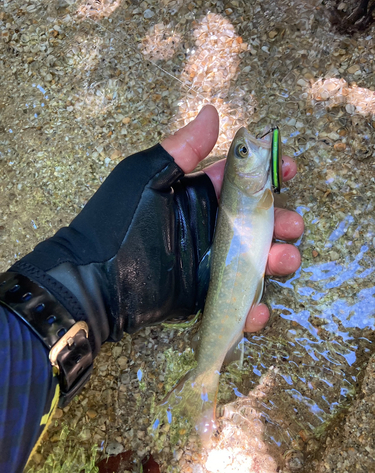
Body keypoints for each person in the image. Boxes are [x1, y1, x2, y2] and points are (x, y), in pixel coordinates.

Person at [0, 105, 303, 472]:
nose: (249, 149)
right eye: (244, 152)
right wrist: (85, 295)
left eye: (243, 152)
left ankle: (205, 380)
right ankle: (207, 377)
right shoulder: (260, 196)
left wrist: (82, 295)